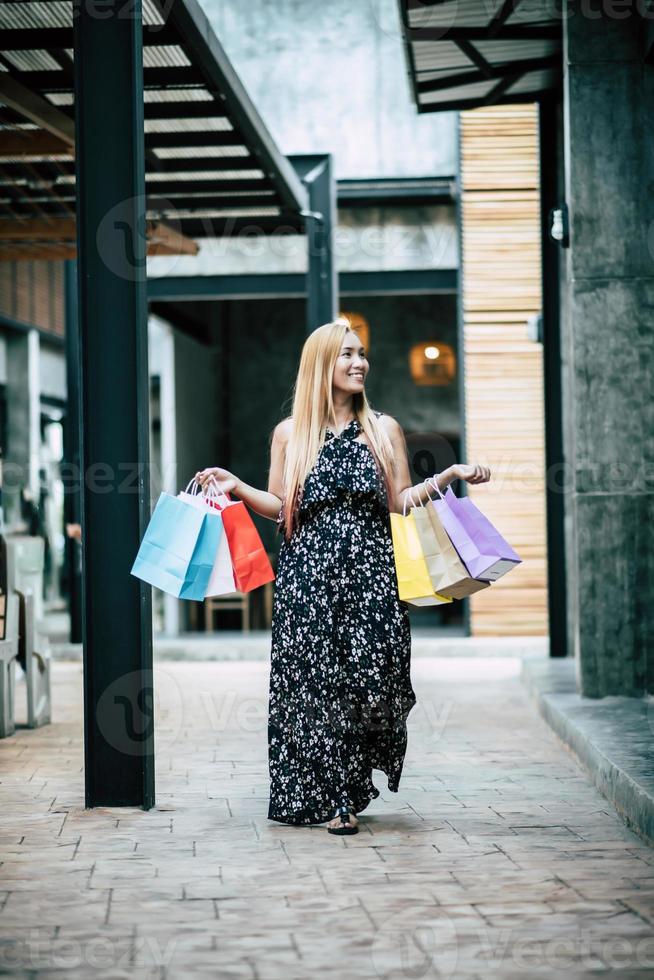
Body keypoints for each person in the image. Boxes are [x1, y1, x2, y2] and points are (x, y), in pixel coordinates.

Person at [196, 317, 490, 835]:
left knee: (372, 679)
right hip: (309, 577)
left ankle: (349, 785)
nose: (359, 363)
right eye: (347, 354)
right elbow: (283, 506)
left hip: (373, 574)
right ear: (321, 365)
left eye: (361, 354)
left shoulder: (384, 429)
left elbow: (398, 502)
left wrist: (447, 477)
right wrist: (237, 485)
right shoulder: (291, 434)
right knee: (317, 685)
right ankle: (336, 798)